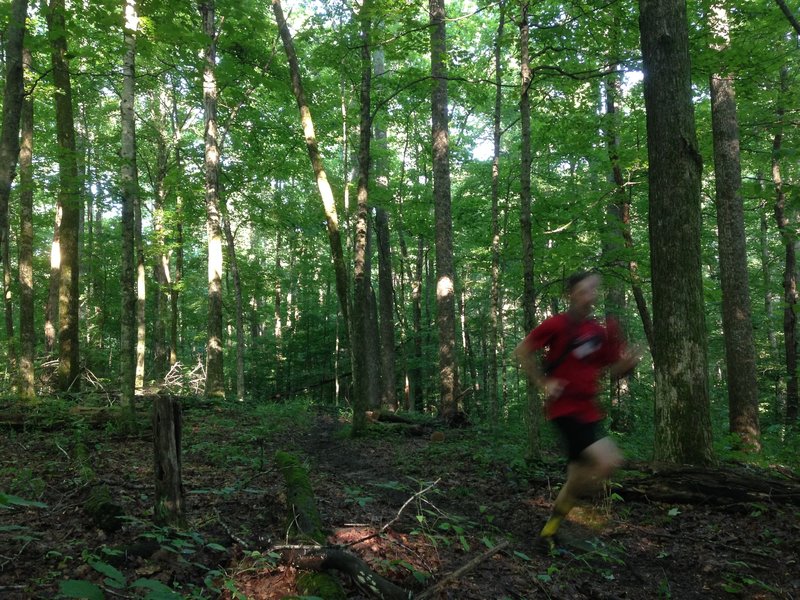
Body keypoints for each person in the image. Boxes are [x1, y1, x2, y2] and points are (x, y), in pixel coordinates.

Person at [514, 271, 642, 551]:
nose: (591, 295)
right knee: (608, 461)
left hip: (589, 410)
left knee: (575, 480)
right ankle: (589, 519)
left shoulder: (597, 331)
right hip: (565, 409)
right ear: (571, 294)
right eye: (585, 290)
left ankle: (549, 532)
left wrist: (629, 364)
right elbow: (522, 350)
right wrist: (543, 382)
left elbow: (614, 371)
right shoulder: (557, 324)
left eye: (595, 290)